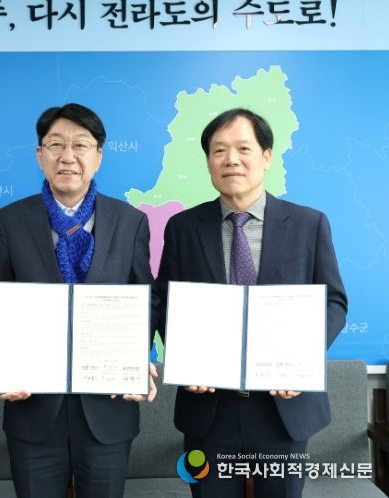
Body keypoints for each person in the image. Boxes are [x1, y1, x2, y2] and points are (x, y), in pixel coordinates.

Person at [153, 108, 348, 498]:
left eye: (243, 148)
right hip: (209, 409)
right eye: (219, 150)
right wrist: (187, 359)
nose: (231, 160)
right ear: (208, 161)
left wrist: (302, 359)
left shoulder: (309, 224)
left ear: (266, 156)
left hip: (283, 408)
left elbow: (333, 302)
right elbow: (165, 301)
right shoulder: (183, 227)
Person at [0, 103, 157, 498]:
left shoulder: (131, 222)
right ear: (39, 154)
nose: (68, 156)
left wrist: (136, 357)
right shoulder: (10, 220)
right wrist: (5, 360)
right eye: (56, 144)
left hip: (108, 408)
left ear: (98, 156)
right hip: (32, 407)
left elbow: (145, 299)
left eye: (81, 145)